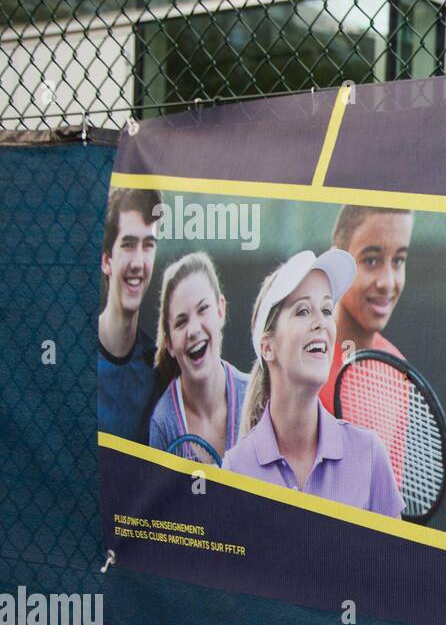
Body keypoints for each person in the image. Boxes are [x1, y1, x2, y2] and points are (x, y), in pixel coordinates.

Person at [224, 249, 403, 518]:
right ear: (267, 347)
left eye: (327, 309)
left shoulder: (368, 453)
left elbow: (394, 560)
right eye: (303, 310)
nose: (321, 322)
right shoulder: (235, 469)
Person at [147, 252, 249, 461]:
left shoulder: (255, 397)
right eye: (181, 322)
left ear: (220, 310)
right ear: (169, 344)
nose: (193, 330)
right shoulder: (163, 423)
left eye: (203, 309)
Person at [319, 205, 413, 415]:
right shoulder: (298, 366)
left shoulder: (398, 371)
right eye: (371, 260)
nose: (388, 283)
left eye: (398, 260)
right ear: (337, 265)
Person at [98, 188, 164, 443]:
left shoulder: (159, 369)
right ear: (107, 260)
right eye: (128, 245)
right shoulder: (75, 358)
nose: (138, 262)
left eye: (148, 246)